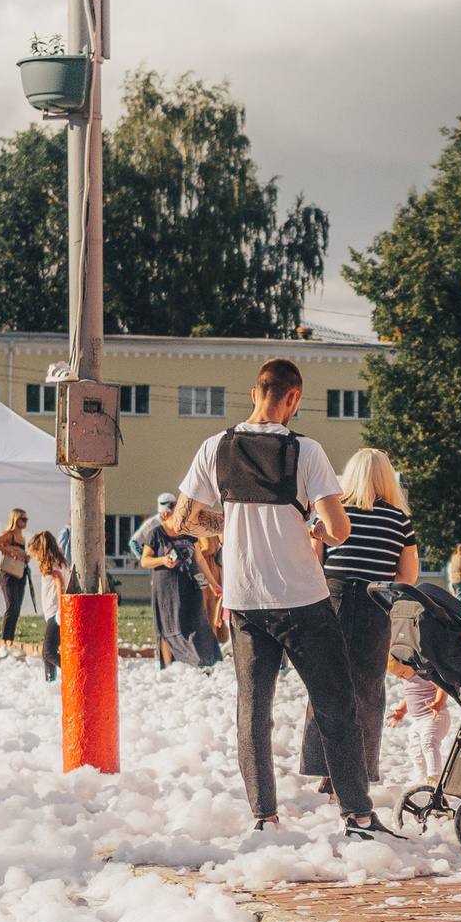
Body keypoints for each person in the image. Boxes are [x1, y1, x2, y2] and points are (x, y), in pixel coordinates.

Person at [171, 356, 391, 837]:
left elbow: (181, 520)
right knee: (336, 706)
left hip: (246, 602)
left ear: (255, 393)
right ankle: (357, 814)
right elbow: (338, 529)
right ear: (293, 398)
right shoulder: (306, 451)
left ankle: (265, 817)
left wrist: (228, 523)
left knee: (253, 709)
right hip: (302, 599)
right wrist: (309, 524)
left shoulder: (216, 447)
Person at [298, 446, 420, 791]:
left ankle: (326, 769)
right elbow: (407, 576)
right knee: (367, 689)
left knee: (327, 684)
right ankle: (357, 772)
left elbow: (313, 563)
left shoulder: (336, 516)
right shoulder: (399, 520)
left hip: (331, 600)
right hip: (374, 605)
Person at [138, 491, 219, 669]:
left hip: (190, 584)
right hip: (166, 587)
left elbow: (199, 560)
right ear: (170, 514)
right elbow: (145, 560)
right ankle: (168, 667)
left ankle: (199, 662)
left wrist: (213, 584)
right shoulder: (156, 534)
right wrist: (163, 560)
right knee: (168, 625)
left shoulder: (189, 533)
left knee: (197, 621)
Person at [387, 654, 451, 784]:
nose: (400, 677)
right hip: (417, 721)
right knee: (416, 752)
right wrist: (401, 711)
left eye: (402, 672)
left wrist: (438, 704)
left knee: (429, 743)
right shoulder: (407, 678)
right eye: (397, 675)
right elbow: (409, 695)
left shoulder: (424, 674)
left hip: (435, 716)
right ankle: (421, 781)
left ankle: (435, 775)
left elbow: (442, 687)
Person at [29, 530, 69, 681]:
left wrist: (61, 607)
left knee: (48, 652)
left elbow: (60, 582)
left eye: (35, 554)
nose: (35, 558)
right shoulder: (61, 562)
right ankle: (49, 681)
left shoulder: (51, 565)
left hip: (55, 612)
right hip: (53, 611)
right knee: (47, 655)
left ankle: (72, 670)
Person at [0, 509, 31, 645]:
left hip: (20, 572)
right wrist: (9, 550)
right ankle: (5, 640)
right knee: (12, 605)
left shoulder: (22, 537)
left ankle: (10, 640)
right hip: (8, 573)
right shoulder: (10, 535)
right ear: (16, 520)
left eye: (26, 519)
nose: (25, 522)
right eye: (23, 519)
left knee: (17, 606)